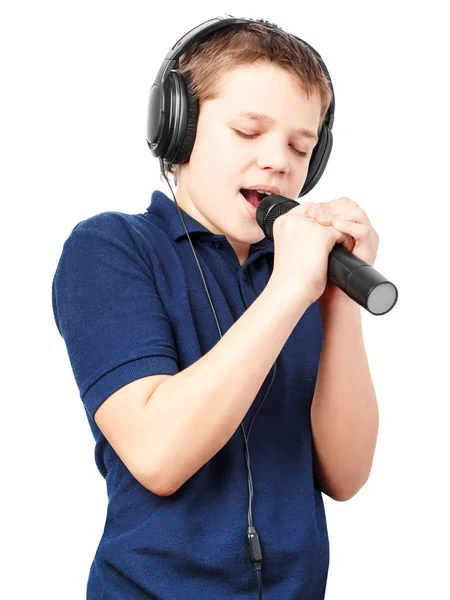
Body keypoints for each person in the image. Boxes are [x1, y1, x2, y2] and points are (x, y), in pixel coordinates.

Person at [51, 17, 379, 600]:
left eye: (301, 146)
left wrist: (336, 302)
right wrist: (288, 292)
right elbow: (157, 453)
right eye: (248, 131)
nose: (279, 160)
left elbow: (346, 474)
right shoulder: (110, 251)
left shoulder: (300, 276)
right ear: (177, 128)